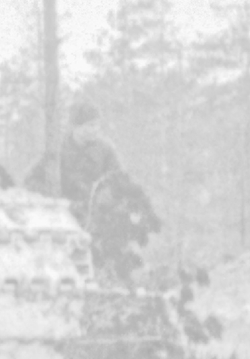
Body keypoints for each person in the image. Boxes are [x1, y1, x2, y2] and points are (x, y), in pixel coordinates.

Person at [26, 101, 160, 279]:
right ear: (76, 126)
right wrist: (54, 197)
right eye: (89, 126)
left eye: (97, 125)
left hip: (96, 214)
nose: (95, 130)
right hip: (63, 214)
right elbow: (31, 181)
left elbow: (119, 181)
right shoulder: (57, 150)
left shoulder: (105, 150)